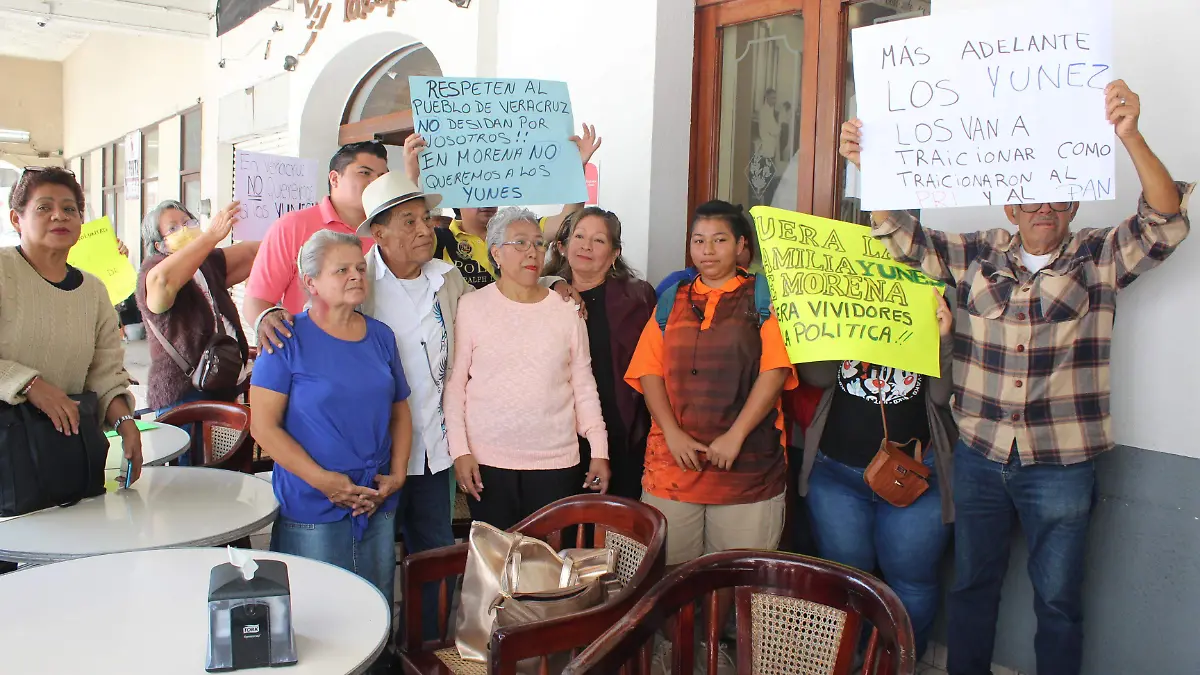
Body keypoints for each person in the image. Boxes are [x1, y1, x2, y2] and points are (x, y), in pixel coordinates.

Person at [839, 79, 1192, 675]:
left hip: (1063, 462)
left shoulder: (1099, 257)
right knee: (972, 589)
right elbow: (902, 236)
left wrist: (1129, 135)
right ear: (1010, 205)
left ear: (1075, 205)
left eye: (1057, 200)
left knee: (1058, 602)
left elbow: (1165, 222)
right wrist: (871, 165)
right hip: (979, 457)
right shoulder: (977, 253)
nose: (1043, 210)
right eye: (1030, 199)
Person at [625, 199, 797, 668]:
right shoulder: (672, 298)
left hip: (747, 471)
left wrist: (736, 436)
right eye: (698, 240)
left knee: (739, 582)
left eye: (720, 240)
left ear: (742, 246)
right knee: (668, 579)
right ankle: (676, 656)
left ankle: (723, 658)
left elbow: (775, 371)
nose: (707, 250)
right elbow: (649, 372)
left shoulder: (764, 299)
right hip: (673, 469)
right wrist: (673, 434)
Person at [249, 229, 412, 620]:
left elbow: (400, 410)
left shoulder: (380, 337)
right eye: (341, 270)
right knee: (319, 616)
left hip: (374, 497)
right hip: (313, 501)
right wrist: (324, 481)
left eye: (359, 267)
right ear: (311, 283)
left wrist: (399, 474)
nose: (356, 275)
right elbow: (264, 427)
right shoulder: (286, 338)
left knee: (374, 611)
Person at [798, 289, 956, 658]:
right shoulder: (841, 304)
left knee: (912, 581)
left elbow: (940, 396)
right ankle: (852, 663)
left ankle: (897, 663)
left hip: (914, 481)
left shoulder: (931, 300)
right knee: (846, 581)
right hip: (837, 476)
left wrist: (944, 338)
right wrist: (808, 324)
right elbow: (819, 376)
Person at [444, 207, 610, 530]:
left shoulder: (566, 309)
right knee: (496, 566)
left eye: (537, 243)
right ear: (496, 253)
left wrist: (599, 449)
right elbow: (455, 388)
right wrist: (459, 451)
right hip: (487, 463)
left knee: (546, 568)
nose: (532, 252)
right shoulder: (472, 307)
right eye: (520, 243)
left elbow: (584, 385)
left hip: (556, 462)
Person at [0, 166, 143, 483]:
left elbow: (105, 372)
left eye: (69, 209)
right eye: (43, 207)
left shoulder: (93, 291)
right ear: (16, 219)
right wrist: (30, 385)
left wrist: (125, 423)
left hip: (68, 451)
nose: (59, 216)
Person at [544, 207, 657, 499]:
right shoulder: (545, 296)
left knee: (615, 526)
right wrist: (553, 283)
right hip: (558, 432)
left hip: (622, 427)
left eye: (598, 240)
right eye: (579, 236)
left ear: (614, 253)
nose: (586, 246)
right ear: (562, 246)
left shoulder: (638, 297)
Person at [403, 125, 604, 288]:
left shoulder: (522, 229)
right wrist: (411, 176)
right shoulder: (438, 240)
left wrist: (578, 169)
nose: (487, 200)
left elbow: (567, 220)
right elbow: (404, 234)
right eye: (478, 193)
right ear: (457, 196)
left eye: (493, 191)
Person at [245, 141, 389, 351]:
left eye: (381, 176)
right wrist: (271, 327)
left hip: (372, 354)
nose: (375, 182)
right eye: (365, 173)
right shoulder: (293, 226)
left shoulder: (385, 230)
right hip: (308, 355)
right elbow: (257, 301)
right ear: (334, 178)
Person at [136, 200, 257, 420]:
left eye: (188, 222)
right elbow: (163, 281)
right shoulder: (152, 272)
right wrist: (210, 236)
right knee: (190, 454)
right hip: (184, 396)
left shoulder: (208, 263)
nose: (185, 229)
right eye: (173, 228)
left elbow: (252, 253)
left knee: (226, 454)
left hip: (223, 383)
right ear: (158, 245)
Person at [654, 227, 755, 299]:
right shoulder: (674, 287)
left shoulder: (759, 292)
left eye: (720, 240)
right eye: (700, 241)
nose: (708, 250)